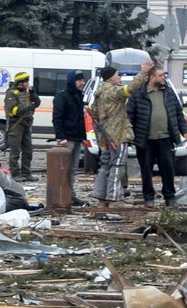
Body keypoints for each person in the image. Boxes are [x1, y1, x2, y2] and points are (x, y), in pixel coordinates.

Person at [127, 63, 187, 206]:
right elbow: (130, 115)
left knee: (168, 169)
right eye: (161, 75)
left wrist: (184, 130)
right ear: (152, 77)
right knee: (146, 171)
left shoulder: (168, 92)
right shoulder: (139, 94)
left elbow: (178, 113)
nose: (164, 78)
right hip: (145, 139)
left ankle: (170, 196)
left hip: (165, 139)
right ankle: (149, 198)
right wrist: (130, 136)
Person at [89, 65, 134, 205]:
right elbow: (131, 89)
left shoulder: (99, 93)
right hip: (117, 135)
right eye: (118, 74)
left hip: (105, 137)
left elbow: (95, 115)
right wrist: (144, 73)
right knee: (118, 166)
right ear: (110, 77)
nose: (120, 77)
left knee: (105, 166)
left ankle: (101, 198)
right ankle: (114, 198)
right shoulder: (113, 92)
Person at [50, 70, 89, 208]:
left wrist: (83, 137)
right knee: (63, 168)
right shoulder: (62, 97)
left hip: (77, 138)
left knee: (72, 169)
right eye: (79, 80)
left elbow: (80, 118)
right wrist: (61, 136)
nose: (82, 83)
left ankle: (70, 194)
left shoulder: (78, 96)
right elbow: (57, 118)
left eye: (83, 80)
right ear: (72, 81)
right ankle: (61, 194)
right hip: (67, 138)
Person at [2, 73, 38, 180]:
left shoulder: (27, 93)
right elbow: (13, 110)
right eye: (26, 81)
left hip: (27, 124)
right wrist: (27, 107)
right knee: (15, 151)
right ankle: (15, 174)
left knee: (28, 150)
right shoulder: (11, 93)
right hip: (16, 125)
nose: (28, 83)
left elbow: (37, 102)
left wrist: (33, 93)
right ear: (20, 83)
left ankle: (26, 173)